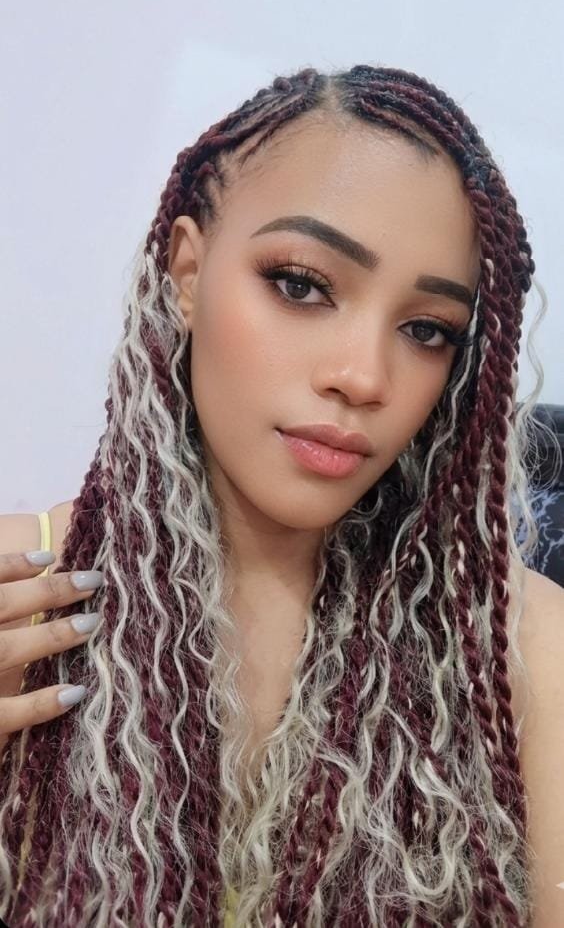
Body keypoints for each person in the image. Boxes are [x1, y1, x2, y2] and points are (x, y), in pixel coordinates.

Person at [0, 64, 563, 927]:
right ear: (187, 272)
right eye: (302, 283)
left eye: (426, 329)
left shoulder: (526, 652)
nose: (363, 376)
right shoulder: (19, 597)